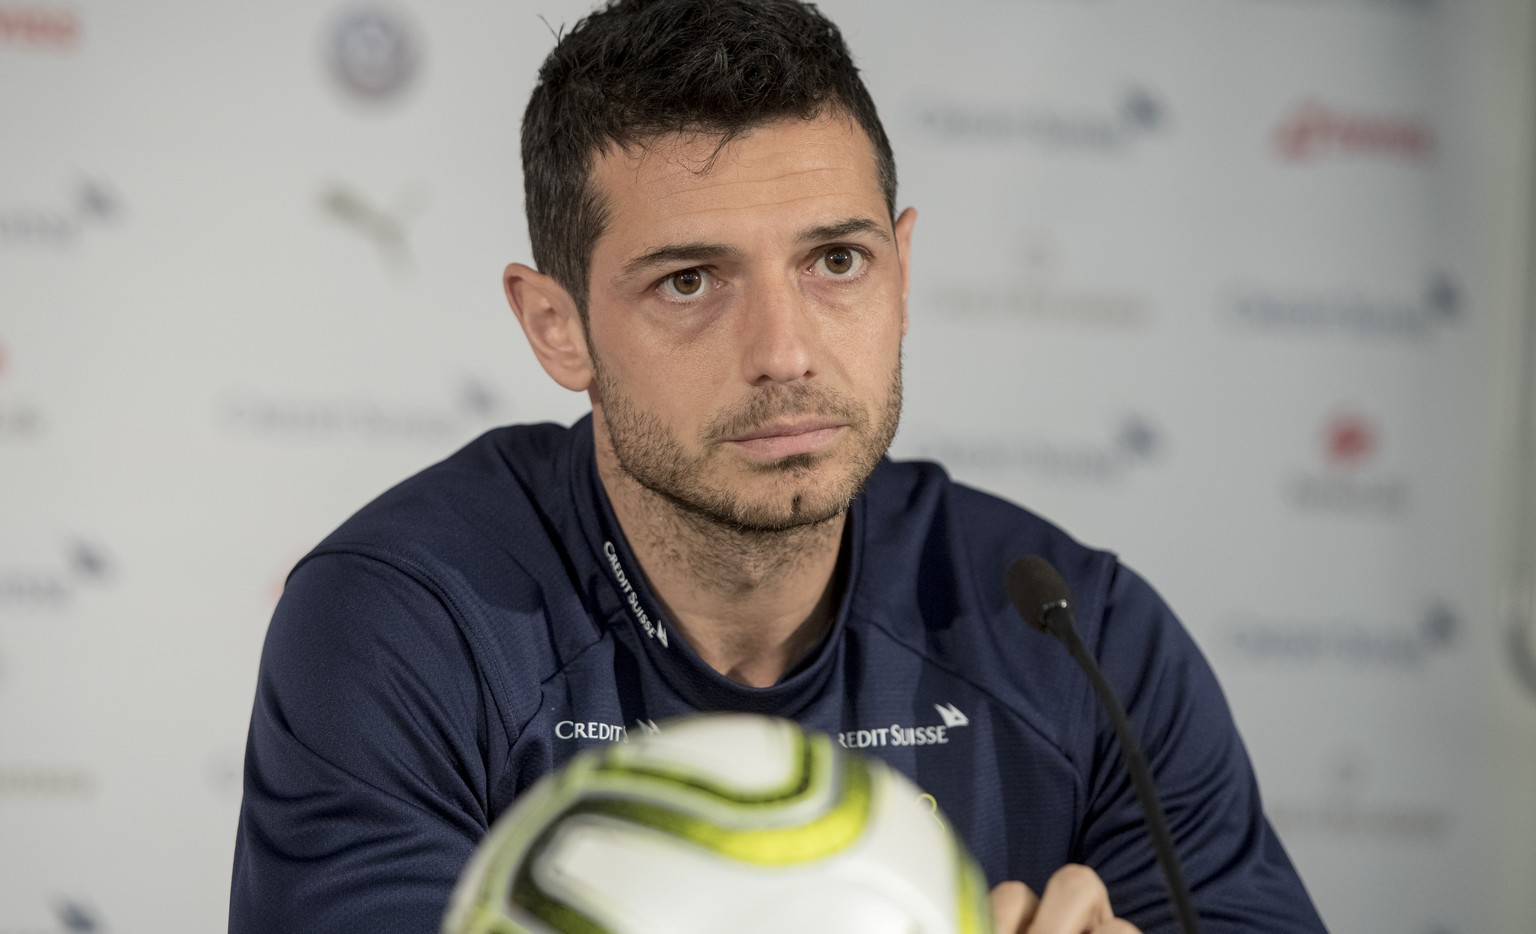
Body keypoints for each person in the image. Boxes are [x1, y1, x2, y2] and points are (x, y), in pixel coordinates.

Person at [230, 1, 1327, 931]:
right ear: (557, 327)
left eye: (836, 261)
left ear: (902, 273)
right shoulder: (399, 625)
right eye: (690, 282)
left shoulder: (1076, 634)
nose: (785, 352)